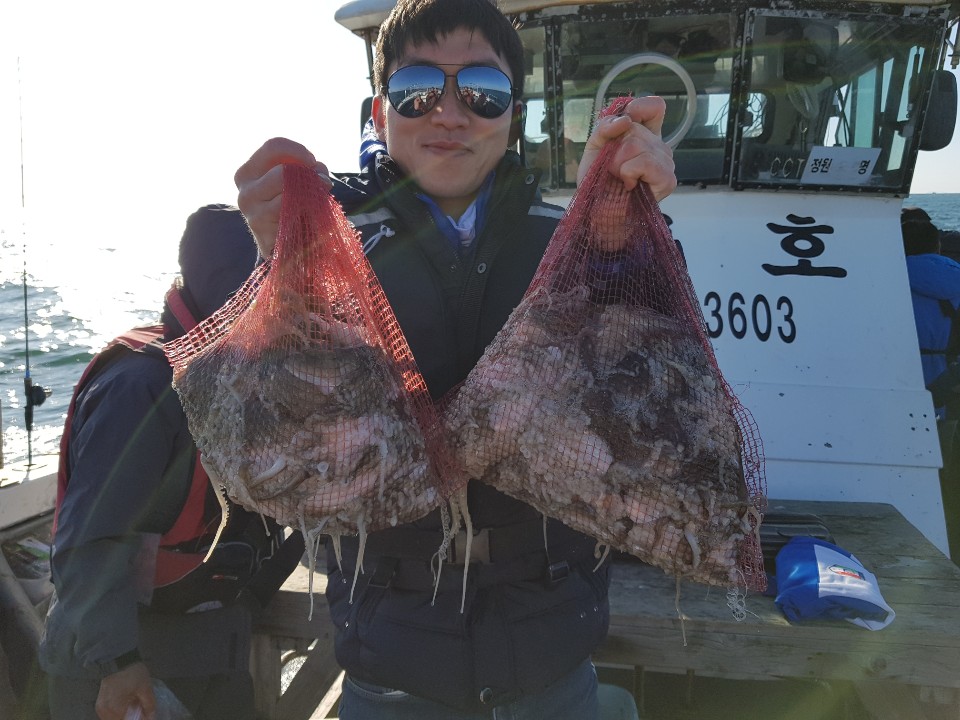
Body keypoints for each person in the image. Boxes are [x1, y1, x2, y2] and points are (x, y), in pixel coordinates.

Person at [233, 1, 676, 717]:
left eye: (482, 91)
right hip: (391, 663)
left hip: (552, 655)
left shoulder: (575, 236)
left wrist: (636, 232)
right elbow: (279, 434)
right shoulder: (326, 247)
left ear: (513, 115)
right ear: (379, 113)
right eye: (416, 88)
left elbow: (652, 390)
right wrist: (274, 271)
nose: (448, 112)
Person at [39, 204, 299, 720]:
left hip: (210, 646)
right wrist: (118, 662)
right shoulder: (141, 387)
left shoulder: (239, 372)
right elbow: (89, 537)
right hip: (121, 669)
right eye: (258, 291)